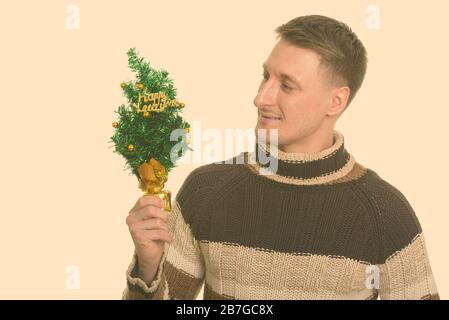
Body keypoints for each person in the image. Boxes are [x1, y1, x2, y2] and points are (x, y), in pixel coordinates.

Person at [122, 15, 439, 300]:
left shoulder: (384, 214)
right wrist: (148, 270)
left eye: (286, 85)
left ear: (336, 101)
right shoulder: (206, 192)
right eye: (265, 76)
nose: (261, 98)